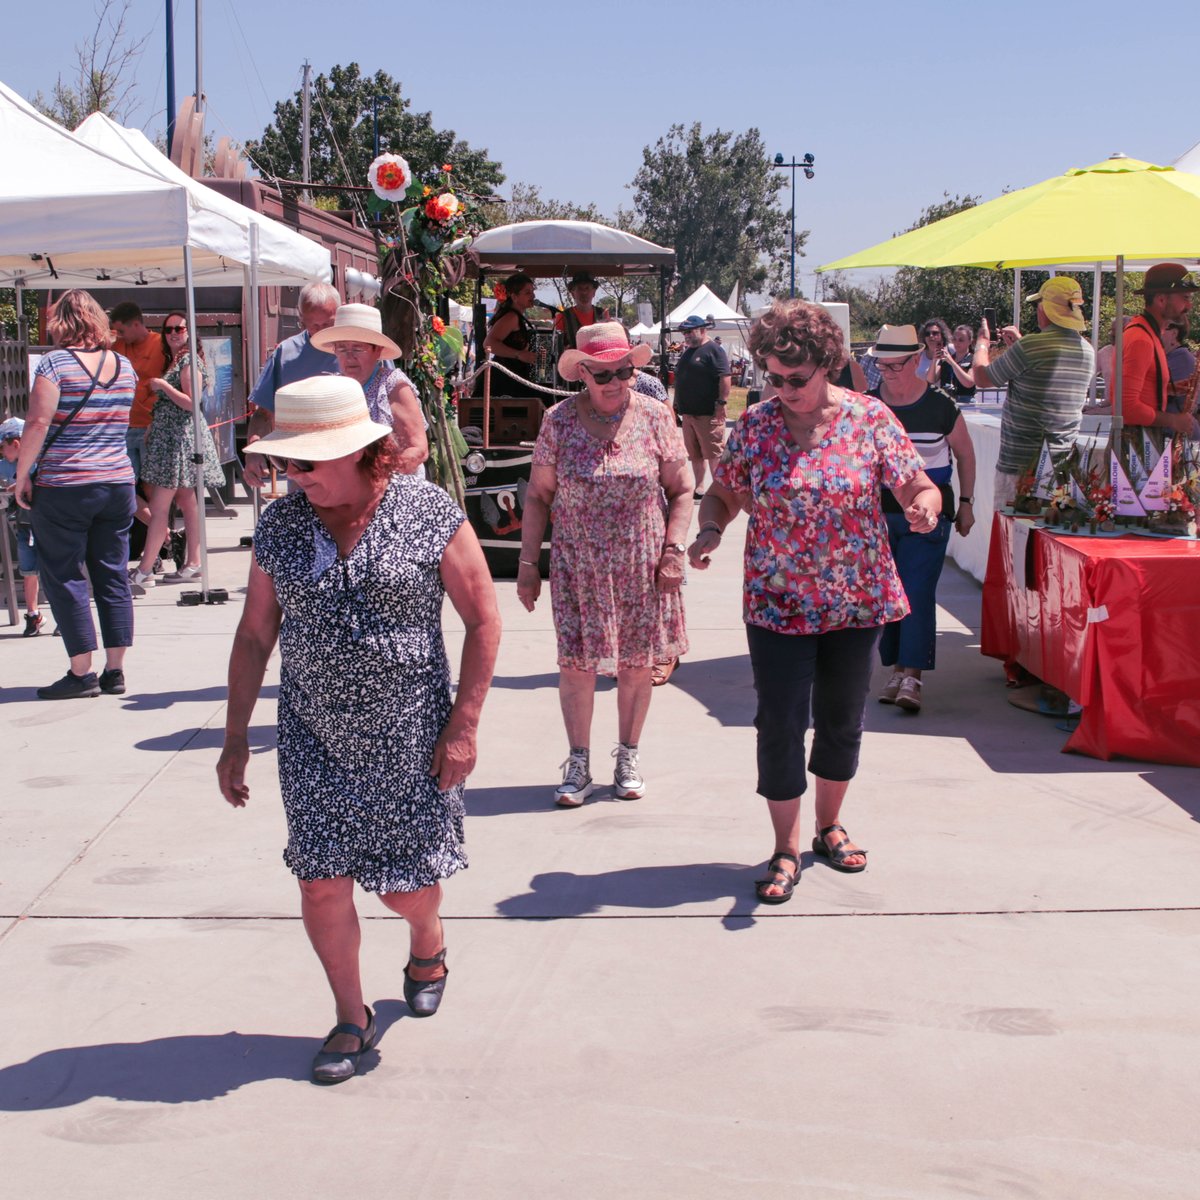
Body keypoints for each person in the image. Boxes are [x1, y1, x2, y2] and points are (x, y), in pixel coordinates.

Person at [218, 374, 500, 1085]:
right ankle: (351, 1016)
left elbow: (483, 619)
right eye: (286, 463)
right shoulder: (283, 524)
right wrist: (234, 736)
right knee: (320, 882)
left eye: (307, 463)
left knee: (404, 890)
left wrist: (464, 723)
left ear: (359, 452)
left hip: (410, 735)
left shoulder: (427, 511)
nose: (294, 477)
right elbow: (255, 635)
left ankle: (427, 941)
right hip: (313, 736)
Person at [687, 300, 940, 903]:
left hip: (857, 600)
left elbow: (914, 481)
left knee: (841, 720)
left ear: (826, 364)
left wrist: (924, 503)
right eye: (771, 377)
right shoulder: (755, 425)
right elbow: (723, 493)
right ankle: (785, 846)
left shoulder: (870, 418)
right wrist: (711, 530)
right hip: (777, 602)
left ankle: (829, 826)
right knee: (778, 723)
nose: (783, 389)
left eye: (795, 379)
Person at [517, 323, 693, 806]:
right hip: (578, 567)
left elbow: (681, 491)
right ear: (583, 374)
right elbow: (537, 497)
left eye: (624, 371)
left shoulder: (657, 417)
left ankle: (628, 755)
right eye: (603, 374)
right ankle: (578, 761)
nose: (615, 382)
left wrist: (674, 550)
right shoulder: (558, 421)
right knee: (576, 666)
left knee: (637, 666)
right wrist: (529, 564)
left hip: (643, 565)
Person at [13, 290, 138, 699]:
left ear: (60, 321)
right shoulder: (123, 364)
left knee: (65, 575)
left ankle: (81, 671)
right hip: (117, 481)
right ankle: (115, 670)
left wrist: (22, 475)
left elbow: (37, 421)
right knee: (112, 573)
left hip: (66, 485)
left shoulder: (55, 363)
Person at [868, 325, 977, 713]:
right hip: (877, 515)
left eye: (896, 365)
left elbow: (964, 454)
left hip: (930, 511)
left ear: (917, 360)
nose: (889, 373)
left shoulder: (941, 405)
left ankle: (911, 674)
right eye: (882, 366)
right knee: (888, 593)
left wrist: (965, 502)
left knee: (916, 590)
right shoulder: (868, 405)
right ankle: (896, 668)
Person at [971, 278, 1096, 507]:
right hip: (1062, 464)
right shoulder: (1087, 350)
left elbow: (981, 378)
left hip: (1020, 466)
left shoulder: (1030, 346)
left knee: (1011, 538)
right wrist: (1019, 345)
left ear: (1045, 309)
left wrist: (982, 344)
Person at [129, 312, 225, 588]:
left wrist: (161, 387)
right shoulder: (179, 360)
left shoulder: (188, 361)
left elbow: (191, 402)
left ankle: (145, 570)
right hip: (173, 438)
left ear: (189, 332)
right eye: (168, 329)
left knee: (159, 507)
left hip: (178, 442)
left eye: (179, 328)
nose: (173, 333)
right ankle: (193, 562)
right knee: (188, 502)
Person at [309, 303, 428, 474]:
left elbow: (418, 449)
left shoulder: (393, 385)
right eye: (342, 348)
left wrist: (378, 476)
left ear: (377, 351)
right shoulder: (333, 388)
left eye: (358, 348)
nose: (349, 356)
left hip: (396, 488)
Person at [243, 282, 340, 486]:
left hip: (350, 469)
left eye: (328, 324)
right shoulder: (285, 354)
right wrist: (253, 449)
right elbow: (263, 413)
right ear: (301, 319)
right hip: (303, 470)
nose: (321, 330)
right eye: (314, 325)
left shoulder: (360, 350)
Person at [110, 301, 168, 547]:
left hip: (150, 427)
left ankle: (156, 547)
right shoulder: (118, 345)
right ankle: (165, 537)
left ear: (136, 324)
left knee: (153, 489)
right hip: (123, 426)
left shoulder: (159, 344)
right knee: (122, 489)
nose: (119, 336)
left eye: (121, 330)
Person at [1119, 263, 1197, 434]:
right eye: (1185, 298)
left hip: (1142, 440)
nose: (1189, 306)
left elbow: (1139, 393)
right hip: (1136, 445)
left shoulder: (1148, 334)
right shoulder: (1141, 339)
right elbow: (1126, 406)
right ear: (1161, 299)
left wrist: (1168, 388)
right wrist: (1174, 420)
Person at [673, 314, 731, 496]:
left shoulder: (714, 350)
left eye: (690, 332)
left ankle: (719, 490)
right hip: (689, 414)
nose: (686, 336)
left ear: (703, 330)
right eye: (684, 333)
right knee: (695, 455)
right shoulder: (688, 351)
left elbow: (725, 377)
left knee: (713, 453)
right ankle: (699, 487)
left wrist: (721, 403)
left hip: (708, 413)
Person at [1, 418, 43, 636]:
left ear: (15, 444)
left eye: (2, 446)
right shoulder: (5, 465)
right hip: (24, 524)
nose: (2, 452)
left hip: (46, 523)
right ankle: (33, 614)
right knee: (28, 572)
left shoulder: (41, 459)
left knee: (54, 570)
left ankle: (65, 616)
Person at [483, 273, 540, 399]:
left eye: (532, 291)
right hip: (505, 380)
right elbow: (489, 343)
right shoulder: (511, 317)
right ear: (514, 296)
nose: (533, 296)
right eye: (527, 292)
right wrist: (518, 354)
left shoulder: (517, 316)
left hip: (513, 378)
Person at [554, 272, 610, 351]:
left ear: (594, 292)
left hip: (598, 361)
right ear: (573, 294)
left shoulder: (603, 314)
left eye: (587, 288)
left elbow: (610, 342)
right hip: (572, 362)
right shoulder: (562, 317)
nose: (584, 293)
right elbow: (556, 347)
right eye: (580, 288)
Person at [1163, 321, 1200, 439]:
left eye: (1163, 328)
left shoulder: (1182, 358)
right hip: (1172, 431)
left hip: (1177, 435)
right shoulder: (1171, 357)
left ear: (1174, 333)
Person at [941, 324, 977, 401]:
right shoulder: (947, 358)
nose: (956, 342)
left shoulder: (973, 359)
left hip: (966, 402)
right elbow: (932, 379)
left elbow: (969, 383)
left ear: (970, 341)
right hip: (947, 401)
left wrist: (952, 362)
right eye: (954, 339)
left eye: (961, 340)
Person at [916, 318, 954, 389]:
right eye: (927, 334)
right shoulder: (920, 353)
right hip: (921, 395)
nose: (931, 336)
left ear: (942, 335)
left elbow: (931, 380)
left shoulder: (950, 349)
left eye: (935, 333)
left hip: (942, 396)